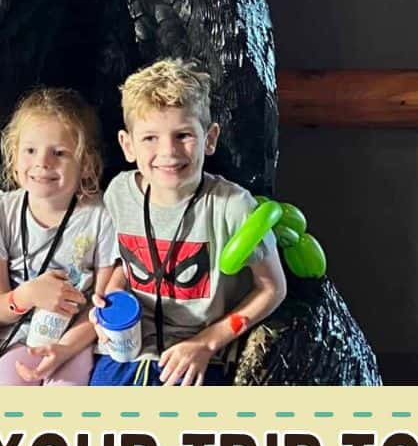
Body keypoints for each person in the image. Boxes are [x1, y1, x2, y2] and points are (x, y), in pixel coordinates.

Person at [92, 60, 287, 388]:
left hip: (198, 356)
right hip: (126, 351)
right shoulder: (118, 194)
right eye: (150, 138)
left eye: (183, 135)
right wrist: (108, 301)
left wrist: (208, 342)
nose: (167, 151)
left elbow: (273, 288)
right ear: (128, 145)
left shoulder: (233, 207)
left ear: (209, 138)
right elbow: (127, 261)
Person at [0, 88, 118, 387]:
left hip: (77, 342)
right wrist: (26, 296)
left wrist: (65, 349)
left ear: (86, 163)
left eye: (60, 153)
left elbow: (102, 303)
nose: (43, 162)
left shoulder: (102, 216)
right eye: (30, 151)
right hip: (18, 342)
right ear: (14, 157)